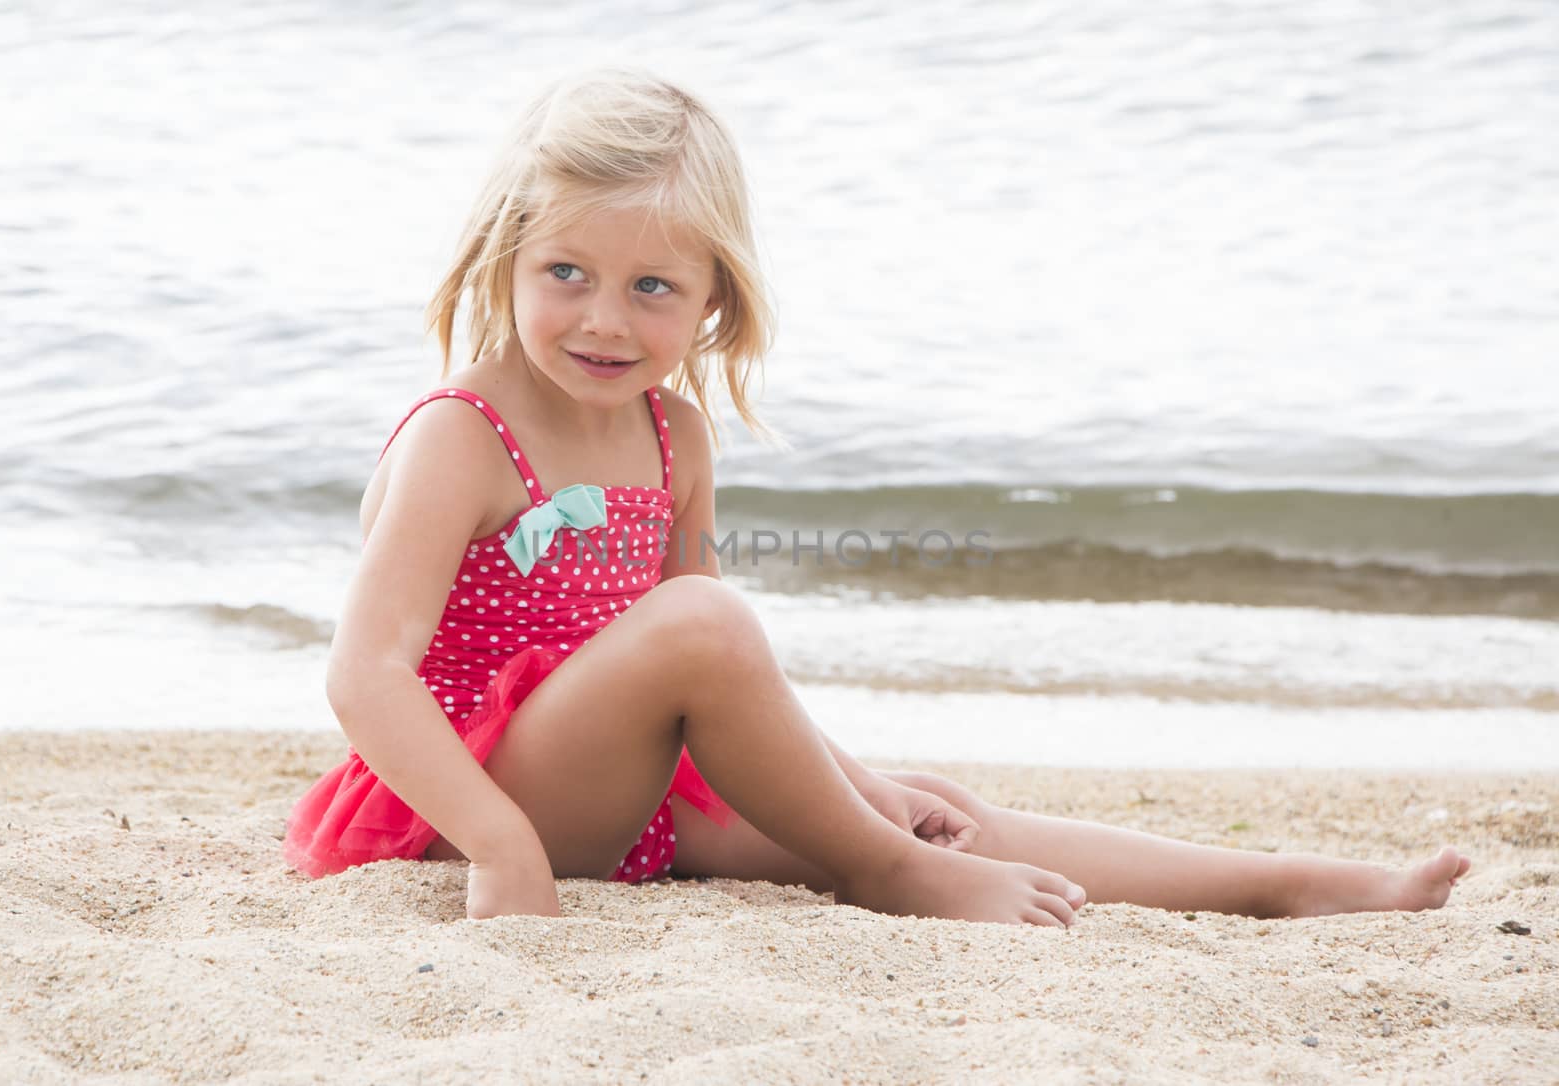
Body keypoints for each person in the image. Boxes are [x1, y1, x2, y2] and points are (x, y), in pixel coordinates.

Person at [284, 70, 1471, 927]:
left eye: (651, 286)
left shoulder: (671, 430)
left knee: (936, 816)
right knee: (720, 636)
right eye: (566, 274)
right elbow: (365, 672)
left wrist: (855, 781)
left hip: (626, 791)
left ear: (712, 302)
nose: (603, 318)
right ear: (505, 259)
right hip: (476, 797)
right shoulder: (464, 434)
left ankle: (1287, 882)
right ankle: (881, 874)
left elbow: (717, 683)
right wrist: (495, 844)